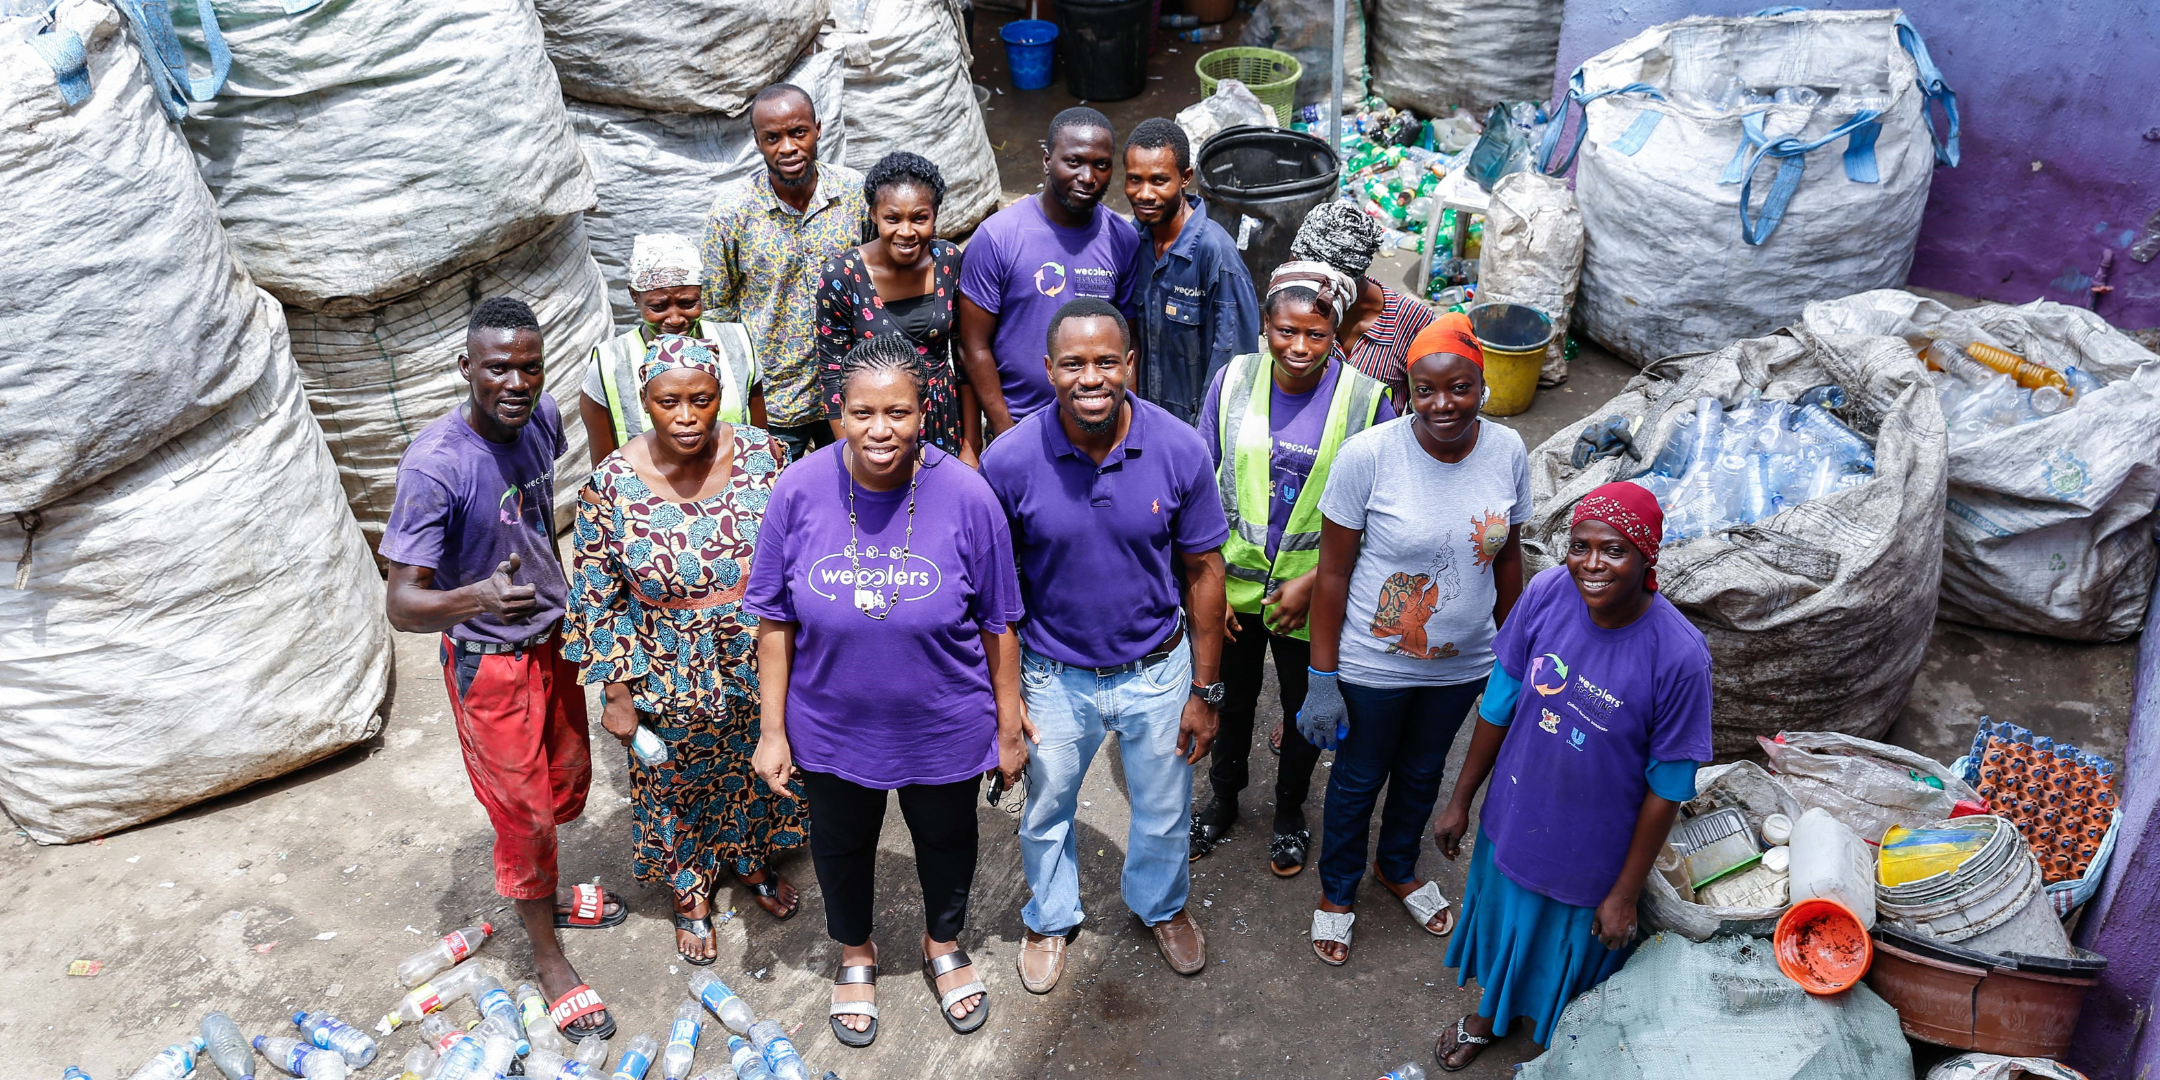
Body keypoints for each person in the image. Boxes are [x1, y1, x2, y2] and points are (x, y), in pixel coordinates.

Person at [746, 335, 1028, 1048]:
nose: (880, 430)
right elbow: (774, 619)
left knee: (947, 837)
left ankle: (941, 943)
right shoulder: (797, 489)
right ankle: (855, 952)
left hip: (943, 721)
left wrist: (1008, 724)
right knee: (840, 844)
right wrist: (773, 731)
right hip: (831, 723)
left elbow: (999, 622)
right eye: (862, 412)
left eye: (898, 412)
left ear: (924, 409)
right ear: (837, 411)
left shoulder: (967, 495)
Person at [380, 297, 617, 1042]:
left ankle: (545, 894)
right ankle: (547, 958)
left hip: (553, 639)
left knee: (564, 787)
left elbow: (535, 521)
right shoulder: (436, 465)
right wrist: (474, 596)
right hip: (490, 663)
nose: (515, 382)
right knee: (523, 818)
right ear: (465, 369)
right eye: (497, 368)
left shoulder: (541, 417)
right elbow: (400, 604)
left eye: (528, 366)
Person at [979, 297, 1229, 993]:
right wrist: (1003, 700)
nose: (1091, 378)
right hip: (1053, 674)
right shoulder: (1010, 461)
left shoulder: (1178, 448)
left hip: (1156, 670)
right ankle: (1050, 916)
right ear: (1049, 368)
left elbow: (1207, 574)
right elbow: (993, 596)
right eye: (1073, 363)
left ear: (1130, 365)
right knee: (1047, 806)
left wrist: (1205, 691)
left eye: (1105, 362)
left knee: (1163, 805)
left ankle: (1161, 906)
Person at [1430, 483, 1711, 1071]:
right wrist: (1461, 799)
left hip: (1593, 851)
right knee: (1508, 929)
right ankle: (1489, 1018)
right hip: (1515, 812)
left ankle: (1557, 1047)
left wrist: (1625, 893)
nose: (1592, 565)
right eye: (1579, 547)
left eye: (1613, 551)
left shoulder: (1680, 656)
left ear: (1646, 557)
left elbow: (1667, 788)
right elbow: (1499, 701)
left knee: (1567, 956)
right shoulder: (1547, 593)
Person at [562, 335, 809, 968]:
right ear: (644, 402)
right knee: (671, 781)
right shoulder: (610, 484)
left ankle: (751, 863)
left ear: (720, 396)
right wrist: (616, 695)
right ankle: (691, 891)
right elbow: (597, 595)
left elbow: (805, 550)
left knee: (756, 763)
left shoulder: (768, 456)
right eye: (668, 401)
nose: (686, 416)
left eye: (701, 399)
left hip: (760, 654)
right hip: (664, 661)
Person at [1294, 313, 1529, 967]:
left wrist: (1515, 650)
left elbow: (1508, 559)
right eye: (1425, 390)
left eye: (1459, 388)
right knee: (1359, 777)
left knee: (1425, 772)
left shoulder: (1508, 451)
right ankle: (1338, 892)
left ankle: (1397, 865)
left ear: (1481, 384)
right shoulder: (1370, 457)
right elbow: (1333, 573)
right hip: (1377, 664)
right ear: (1406, 392)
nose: (1442, 404)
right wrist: (1322, 676)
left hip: (1463, 666)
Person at [1190, 267, 1394, 877]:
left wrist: (1316, 583)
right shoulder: (1232, 381)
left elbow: (1383, 509)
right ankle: (1223, 798)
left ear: (1338, 332)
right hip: (1232, 588)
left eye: (1315, 333)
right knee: (1231, 700)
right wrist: (1209, 582)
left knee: (1308, 711)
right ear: (1264, 328)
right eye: (1285, 331)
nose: (1299, 348)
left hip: (1316, 595)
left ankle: (1288, 813)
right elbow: (1200, 483)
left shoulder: (1367, 400)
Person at [701, 83, 867, 464]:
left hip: (849, 391)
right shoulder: (732, 213)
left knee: (854, 496)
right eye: (772, 137)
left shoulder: (855, 193)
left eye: (798, 132)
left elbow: (879, 276)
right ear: (757, 142)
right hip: (774, 403)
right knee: (777, 503)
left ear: (818, 129)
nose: (787, 147)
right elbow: (717, 315)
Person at [959, 108, 1141, 434]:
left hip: (1097, 426)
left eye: (1101, 164)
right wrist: (1004, 429)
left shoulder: (1122, 239)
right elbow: (972, 345)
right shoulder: (997, 238)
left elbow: (1128, 342)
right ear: (1046, 160)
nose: (1088, 177)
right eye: (1074, 162)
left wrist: (1127, 420)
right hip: (1020, 425)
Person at [815, 152, 977, 462]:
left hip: (941, 418)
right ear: (874, 214)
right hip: (876, 424)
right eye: (893, 218)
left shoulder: (948, 261)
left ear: (935, 214)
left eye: (919, 217)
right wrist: (851, 454)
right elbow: (833, 375)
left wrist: (971, 445)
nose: (906, 231)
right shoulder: (843, 276)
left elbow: (965, 358)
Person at [582, 233, 765, 466]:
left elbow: (762, 441)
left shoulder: (737, 343)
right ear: (634, 296)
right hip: (646, 496)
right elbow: (604, 469)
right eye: (658, 306)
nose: (676, 319)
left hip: (735, 489)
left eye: (688, 303)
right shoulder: (609, 363)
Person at [1122, 117, 1260, 426]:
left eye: (1159, 180)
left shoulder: (1217, 256)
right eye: (1134, 179)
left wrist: (1204, 445)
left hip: (1193, 436)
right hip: (1142, 424)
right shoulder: (1132, 241)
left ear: (1185, 178)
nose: (1144, 193)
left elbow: (1235, 370)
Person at [1288, 200, 1437, 407]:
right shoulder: (1295, 313)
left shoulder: (1413, 323)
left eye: (1303, 279)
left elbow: (1427, 414)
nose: (1291, 287)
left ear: (1341, 283)